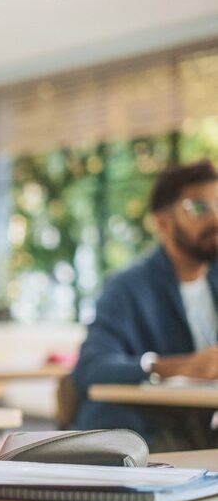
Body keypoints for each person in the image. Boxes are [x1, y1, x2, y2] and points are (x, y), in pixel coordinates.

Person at [72, 159, 218, 450]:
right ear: (162, 222)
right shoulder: (127, 288)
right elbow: (91, 369)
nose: (215, 218)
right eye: (199, 207)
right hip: (153, 435)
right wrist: (177, 366)